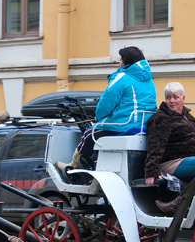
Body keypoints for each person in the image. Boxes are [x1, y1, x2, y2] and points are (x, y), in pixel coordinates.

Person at [55, 46, 157, 175]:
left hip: (124, 125)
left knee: (89, 134)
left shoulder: (122, 78)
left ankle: (74, 166)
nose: (120, 63)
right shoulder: (149, 80)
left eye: (121, 59)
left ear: (126, 61)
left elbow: (105, 104)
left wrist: (99, 118)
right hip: (143, 125)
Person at [144, 82, 195, 214]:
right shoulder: (161, 118)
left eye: (175, 97)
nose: (171, 101)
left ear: (183, 99)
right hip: (172, 162)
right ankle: (179, 202)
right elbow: (155, 145)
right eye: (168, 97)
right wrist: (151, 171)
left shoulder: (189, 118)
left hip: (190, 160)